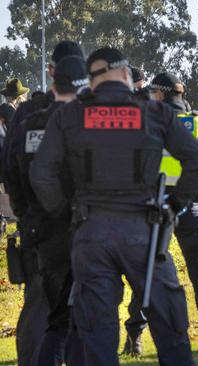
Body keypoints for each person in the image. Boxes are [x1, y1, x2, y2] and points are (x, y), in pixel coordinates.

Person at [29, 47, 198, 366]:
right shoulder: (155, 112)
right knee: (171, 329)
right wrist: (173, 205)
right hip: (146, 230)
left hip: (90, 230)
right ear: (126, 75)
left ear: (92, 80)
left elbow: (41, 173)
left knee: (96, 333)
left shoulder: (70, 115)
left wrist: (65, 212)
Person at [122, 71, 198, 354]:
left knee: (147, 273)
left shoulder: (150, 123)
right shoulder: (196, 121)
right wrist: (197, 197)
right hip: (190, 208)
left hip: (157, 207)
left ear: (161, 93)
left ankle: (135, 338)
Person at [2, 40, 84, 366]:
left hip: (39, 228)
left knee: (38, 305)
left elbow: (9, 169)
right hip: (83, 226)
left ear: (52, 72)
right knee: (83, 308)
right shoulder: (91, 115)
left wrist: (27, 216)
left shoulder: (27, 113)